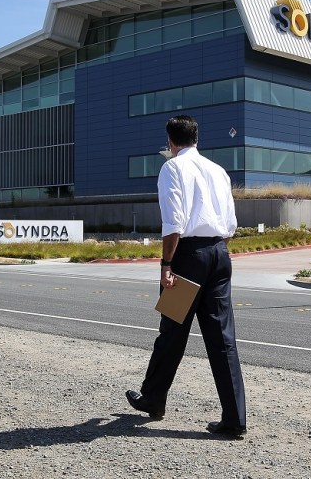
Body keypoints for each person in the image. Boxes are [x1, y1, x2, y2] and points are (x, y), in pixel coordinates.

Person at [125, 114, 247, 438]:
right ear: (197, 138)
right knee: (223, 340)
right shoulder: (218, 171)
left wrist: (167, 265)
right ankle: (234, 418)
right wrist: (214, 252)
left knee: (172, 333)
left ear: (170, 141)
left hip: (189, 258)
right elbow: (231, 224)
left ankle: (153, 398)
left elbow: (174, 223)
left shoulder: (172, 168)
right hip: (220, 255)